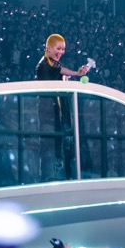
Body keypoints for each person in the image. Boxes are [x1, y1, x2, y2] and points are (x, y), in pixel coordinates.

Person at [35, 35, 89, 181]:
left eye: (63, 49)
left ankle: (65, 178)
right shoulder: (44, 64)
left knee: (64, 148)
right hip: (48, 114)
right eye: (58, 48)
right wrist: (76, 73)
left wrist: (77, 75)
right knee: (48, 147)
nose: (61, 52)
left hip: (61, 115)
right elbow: (59, 71)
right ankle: (47, 179)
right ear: (49, 48)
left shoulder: (56, 64)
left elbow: (62, 74)